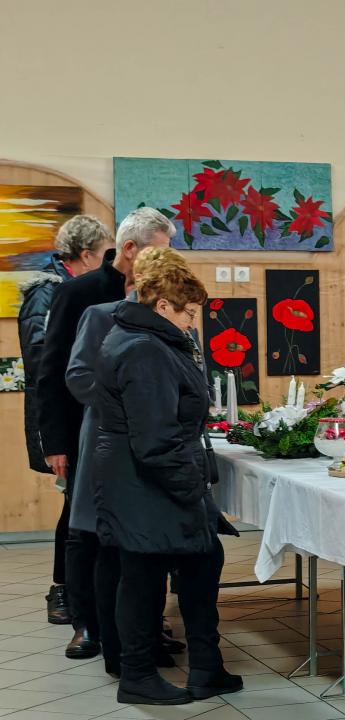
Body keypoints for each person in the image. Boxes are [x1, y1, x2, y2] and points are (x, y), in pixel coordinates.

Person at [94, 254, 240, 705]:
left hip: (147, 475)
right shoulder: (144, 349)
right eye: (188, 312)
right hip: (145, 479)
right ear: (162, 306)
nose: (192, 321)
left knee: (202, 562)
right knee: (143, 578)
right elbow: (155, 439)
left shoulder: (146, 339)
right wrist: (192, 489)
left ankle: (207, 668)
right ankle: (137, 676)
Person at [35, 207, 172, 659]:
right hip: (85, 430)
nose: (164, 259)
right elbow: (53, 371)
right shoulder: (78, 293)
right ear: (129, 249)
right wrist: (55, 442)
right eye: (157, 250)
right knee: (86, 531)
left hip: (142, 435)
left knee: (138, 531)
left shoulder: (157, 293)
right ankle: (86, 624)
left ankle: (140, 623)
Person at [66, 248, 190, 676]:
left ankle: (148, 636)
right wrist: (130, 407)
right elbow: (77, 375)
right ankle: (113, 645)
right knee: (112, 550)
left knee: (148, 552)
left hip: (155, 443)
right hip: (113, 441)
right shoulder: (101, 316)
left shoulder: (175, 320)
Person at [17, 215, 112, 625]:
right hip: (61, 415)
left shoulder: (72, 288)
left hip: (77, 412)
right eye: (105, 252)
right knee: (74, 504)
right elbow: (44, 362)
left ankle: (79, 589)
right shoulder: (48, 292)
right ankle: (62, 589)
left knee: (76, 501)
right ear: (87, 255)